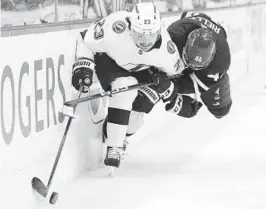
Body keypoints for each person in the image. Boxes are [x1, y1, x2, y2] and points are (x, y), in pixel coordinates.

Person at [71, 2, 181, 170]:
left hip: (140, 71)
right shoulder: (116, 27)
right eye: (139, 34)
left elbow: (177, 76)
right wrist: (83, 66)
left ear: (159, 30)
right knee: (124, 86)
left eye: (150, 35)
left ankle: (115, 133)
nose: (145, 41)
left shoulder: (167, 51)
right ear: (130, 26)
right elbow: (85, 39)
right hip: (110, 63)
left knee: (136, 120)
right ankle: (114, 147)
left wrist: (164, 86)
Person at [134, 12, 232, 119]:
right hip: (190, 25)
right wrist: (168, 90)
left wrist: (173, 89)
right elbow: (155, 68)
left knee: (221, 109)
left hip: (209, 35)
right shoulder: (174, 36)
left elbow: (203, 85)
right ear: (185, 46)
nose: (189, 67)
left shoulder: (220, 62)